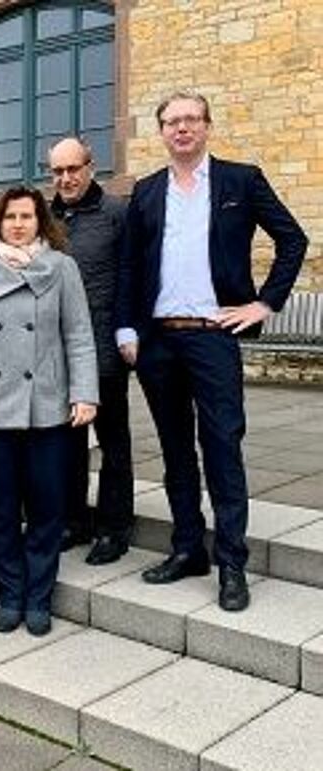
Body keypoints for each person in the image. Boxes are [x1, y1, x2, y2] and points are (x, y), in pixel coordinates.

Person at [117, 91, 308, 611]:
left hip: (213, 336)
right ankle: (187, 549)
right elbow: (132, 265)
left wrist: (264, 304)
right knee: (176, 451)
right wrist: (127, 331)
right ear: (161, 131)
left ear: (206, 126)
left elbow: (293, 240)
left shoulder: (240, 180)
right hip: (158, 340)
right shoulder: (147, 191)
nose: (182, 128)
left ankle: (231, 563)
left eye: (190, 120)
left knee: (222, 447)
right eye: (172, 121)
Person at [0, 187, 98, 636]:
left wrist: (84, 393)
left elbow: (79, 336)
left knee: (48, 506)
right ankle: (10, 590)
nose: (18, 223)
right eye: (10, 216)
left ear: (40, 221)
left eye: (27, 216)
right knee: (2, 508)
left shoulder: (63, 268)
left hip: (47, 408)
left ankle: (39, 595)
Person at [49, 137, 134, 565]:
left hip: (105, 350)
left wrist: (127, 332)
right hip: (57, 355)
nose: (65, 178)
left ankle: (115, 528)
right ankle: (74, 520)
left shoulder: (117, 213)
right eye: (57, 172)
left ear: (90, 167)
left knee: (113, 441)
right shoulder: (47, 217)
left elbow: (132, 276)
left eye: (73, 169)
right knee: (68, 443)